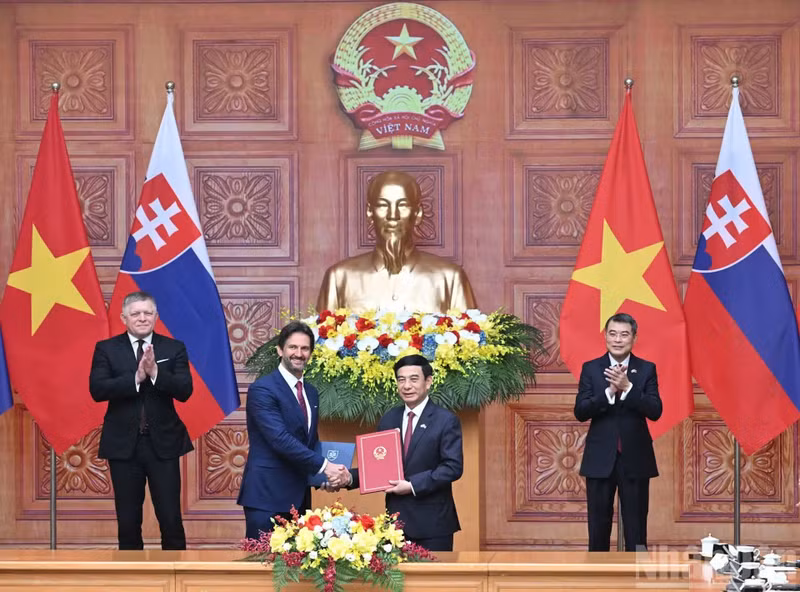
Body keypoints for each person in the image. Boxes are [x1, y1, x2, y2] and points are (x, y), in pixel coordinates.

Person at [89, 291, 193, 550]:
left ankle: (177, 582)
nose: (142, 318)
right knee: (127, 521)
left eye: (148, 313)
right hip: (123, 447)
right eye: (136, 313)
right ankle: (130, 582)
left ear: (156, 316)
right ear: (124, 318)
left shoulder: (173, 347)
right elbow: (97, 390)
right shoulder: (107, 349)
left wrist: (156, 372)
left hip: (164, 445)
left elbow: (185, 390)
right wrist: (135, 378)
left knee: (170, 518)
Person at [237, 321, 350, 539]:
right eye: (292, 347)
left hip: (299, 497)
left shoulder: (311, 392)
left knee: (295, 569)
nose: (298, 354)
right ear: (280, 350)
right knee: (261, 567)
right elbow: (280, 439)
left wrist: (323, 476)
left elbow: (309, 441)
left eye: (305, 348)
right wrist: (326, 466)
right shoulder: (263, 389)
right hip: (266, 498)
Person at [340, 354, 463, 551]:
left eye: (414, 379)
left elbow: (452, 467)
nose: (407, 386)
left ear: (428, 381)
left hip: (433, 525)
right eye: (401, 379)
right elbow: (379, 466)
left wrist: (412, 485)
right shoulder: (389, 419)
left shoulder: (445, 420)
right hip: (396, 525)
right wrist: (347, 478)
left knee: (434, 581)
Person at [316, 171, 476, 314]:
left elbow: (470, 343)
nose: (393, 215)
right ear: (370, 212)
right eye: (383, 205)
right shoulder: (339, 277)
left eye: (403, 205)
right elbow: (322, 344)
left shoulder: (450, 278)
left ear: (418, 213)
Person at [574, 312, 662, 552]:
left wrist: (628, 388)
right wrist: (609, 393)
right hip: (600, 459)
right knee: (598, 529)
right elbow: (580, 411)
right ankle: (597, 584)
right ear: (605, 336)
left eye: (624, 334)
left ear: (634, 338)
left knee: (636, 531)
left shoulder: (646, 369)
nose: (618, 339)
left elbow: (655, 410)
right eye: (612, 334)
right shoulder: (592, 369)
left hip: (635, 459)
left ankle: (639, 586)